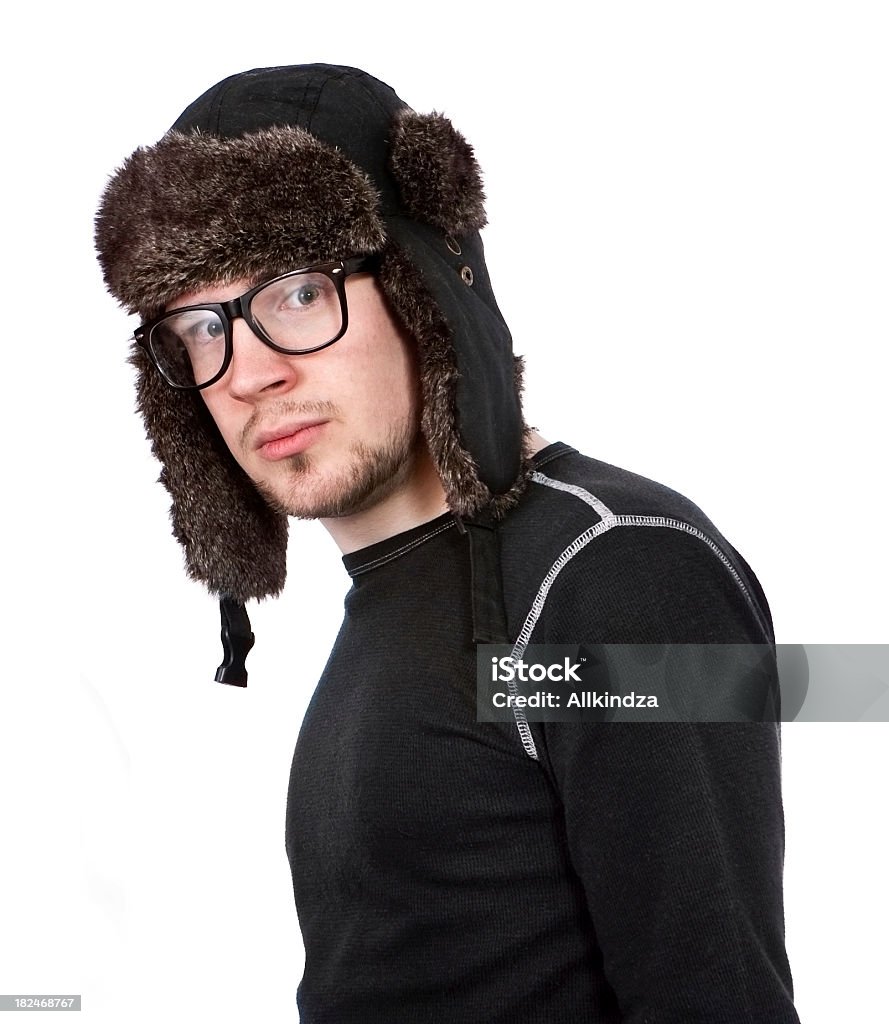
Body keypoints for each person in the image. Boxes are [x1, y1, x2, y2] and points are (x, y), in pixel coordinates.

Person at [95, 64, 800, 1023]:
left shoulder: (620, 570)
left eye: (298, 293)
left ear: (423, 287)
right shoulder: (394, 600)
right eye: (200, 324)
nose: (248, 371)